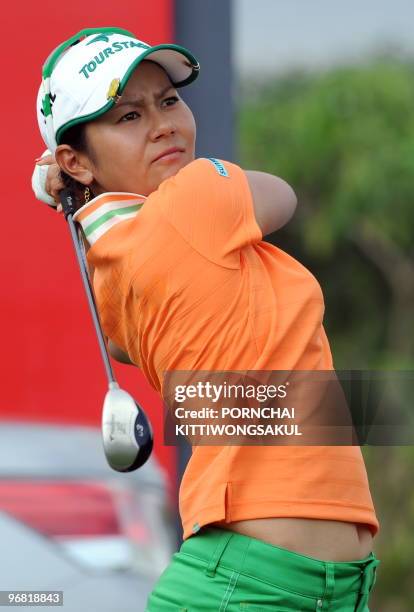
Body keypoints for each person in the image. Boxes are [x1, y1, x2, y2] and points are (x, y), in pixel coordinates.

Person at [33, 27, 380, 611]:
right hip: (243, 584)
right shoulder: (196, 198)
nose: (163, 124)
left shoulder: (111, 271)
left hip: (320, 588)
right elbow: (283, 196)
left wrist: (73, 192)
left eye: (168, 101)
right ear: (74, 159)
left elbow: (118, 277)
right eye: (128, 117)